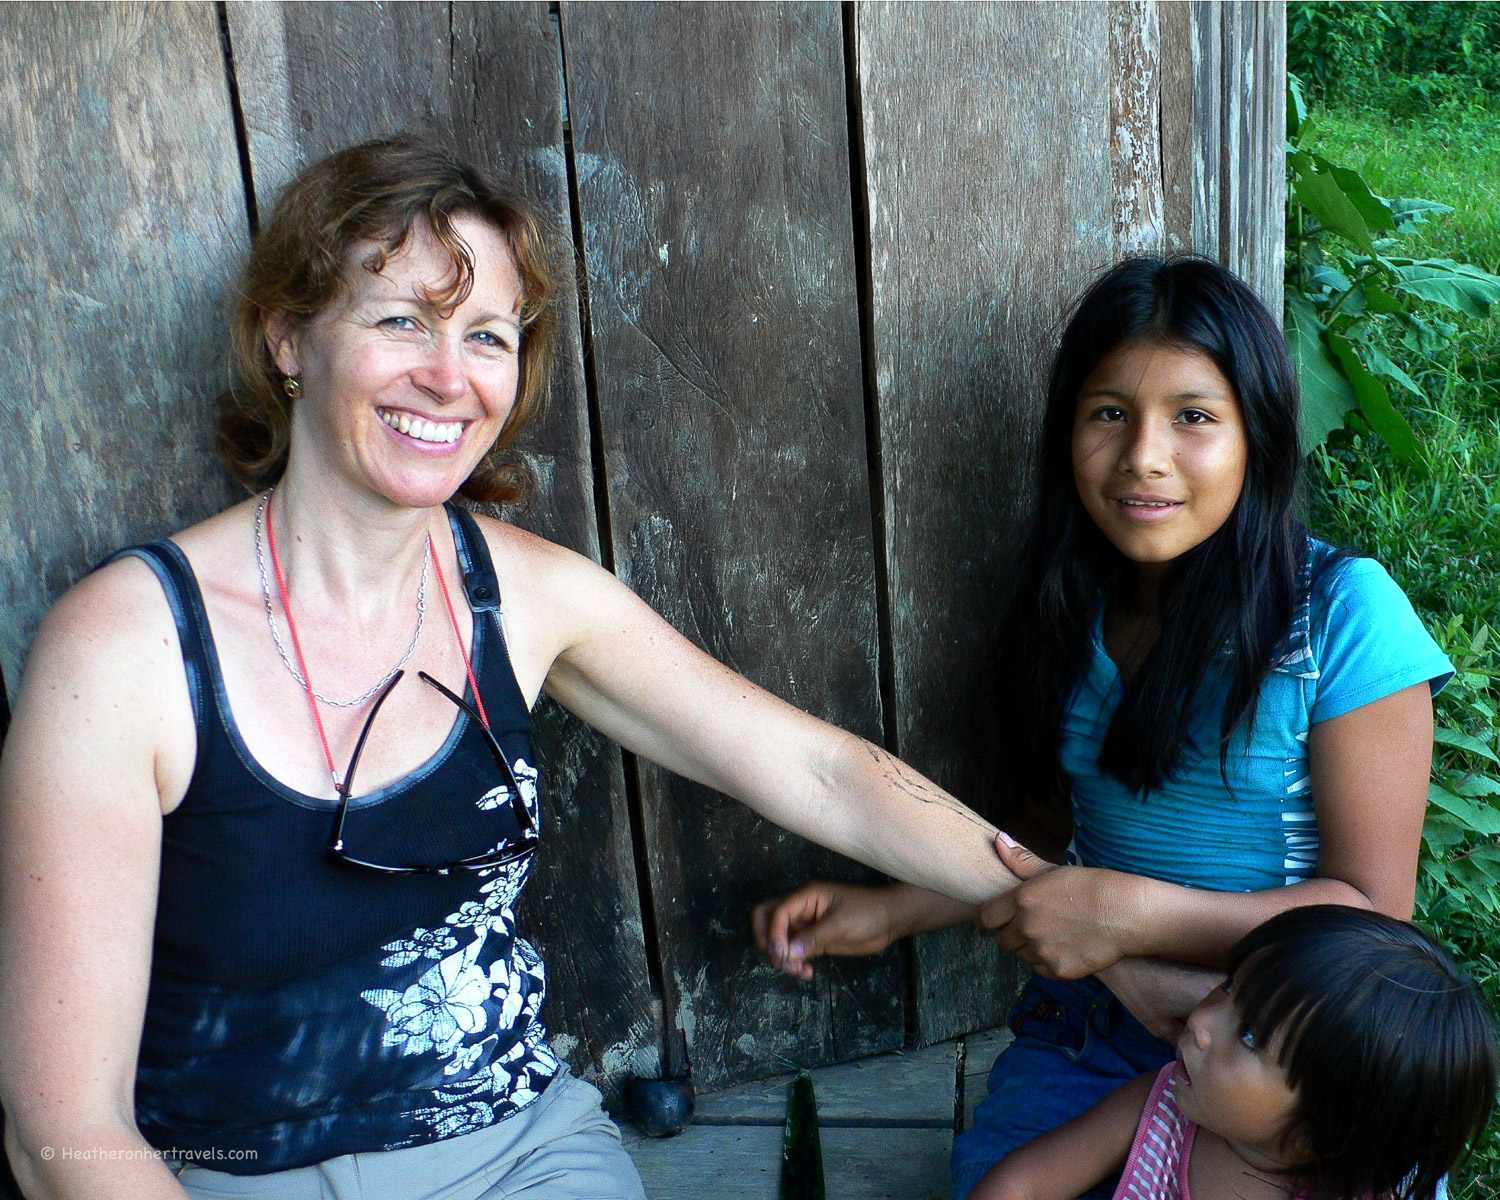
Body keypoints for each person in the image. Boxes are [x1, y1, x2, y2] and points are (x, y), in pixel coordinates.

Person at [0, 138, 1025, 1200]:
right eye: (401, 319)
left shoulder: (525, 596)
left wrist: (1066, 907)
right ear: (288, 339)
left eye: (486, 335)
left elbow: (820, 773)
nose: (450, 377)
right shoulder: (126, 649)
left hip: (517, 1160)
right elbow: (61, 1133)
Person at [752, 256, 1455, 1198]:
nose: (1144, 457)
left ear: (1261, 436)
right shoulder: (1066, 611)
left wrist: (1129, 916)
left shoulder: (1339, 617)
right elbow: (1042, 841)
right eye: (1109, 413)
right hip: (1092, 1036)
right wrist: (894, 909)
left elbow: (1371, 917)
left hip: (1285, 1064)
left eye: (1195, 417)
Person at [969, 905, 1498, 1200]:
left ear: (1321, 1131)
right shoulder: (1162, 1113)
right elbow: (1022, 1184)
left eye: (1249, 1037)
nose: (1200, 1021)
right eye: (1228, 989)